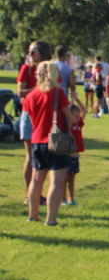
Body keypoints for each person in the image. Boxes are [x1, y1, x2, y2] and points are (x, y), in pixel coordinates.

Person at [22, 59, 73, 225]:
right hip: (56, 140)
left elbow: (31, 119)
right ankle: (51, 219)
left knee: (36, 180)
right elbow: (68, 116)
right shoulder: (58, 93)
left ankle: (32, 214)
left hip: (37, 139)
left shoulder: (30, 96)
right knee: (56, 182)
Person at [17, 40, 50, 206]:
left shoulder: (49, 69)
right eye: (29, 52)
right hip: (29, 113)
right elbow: (20, 92)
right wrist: (38, 88)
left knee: (44, 155)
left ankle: (38, 192)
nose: (30, 55)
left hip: (44, 114)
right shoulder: (26, 69)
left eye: (33, 52)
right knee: (31, 155)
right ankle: (29, 194)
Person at [64, 102, 85, 206]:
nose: (78, 118)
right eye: (75, 116)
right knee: (65, 179)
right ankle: (63, 199)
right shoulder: (68, 126)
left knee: (72, 179)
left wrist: (76, 98)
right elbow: (66, 111)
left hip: (75, 156)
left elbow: (84, 110)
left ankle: (71, 199)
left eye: (78, 116)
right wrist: (71, 101)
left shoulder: (79, 124)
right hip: (67, 156)